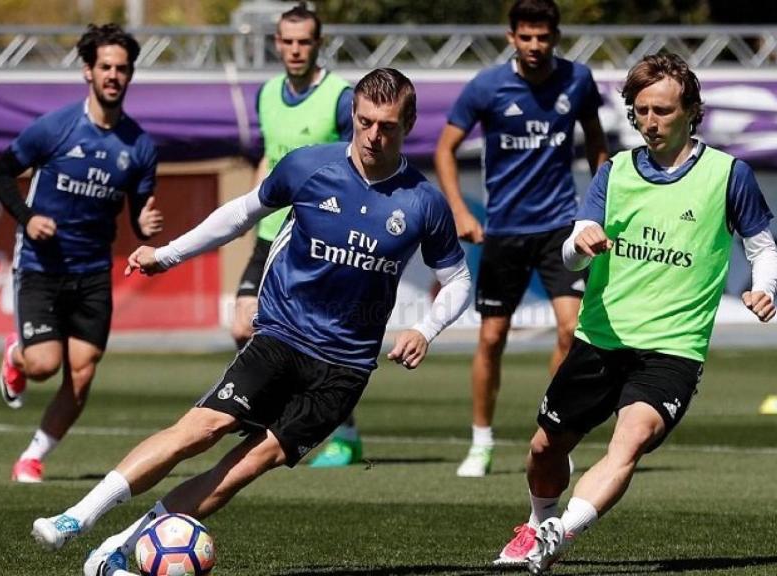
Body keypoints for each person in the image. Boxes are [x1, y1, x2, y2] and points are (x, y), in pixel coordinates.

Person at [29, 68, 473, 576]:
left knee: (245, 466)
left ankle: (116, 550)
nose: (374, 136)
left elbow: (458, 279)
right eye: (365, 121)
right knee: (204, 426)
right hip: (282, 337)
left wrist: (426, 329)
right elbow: (239, 214)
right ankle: (78, 516)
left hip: (346, 369)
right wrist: (168, 255)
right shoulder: (308, 168)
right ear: (353, 114)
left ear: (409, 124)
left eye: (387, 126)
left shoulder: (423, 202)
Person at [495, 53, 777, 572]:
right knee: (542, 449)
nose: (651, 122)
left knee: (630, 441)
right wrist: (581, 245)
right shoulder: (615, 172)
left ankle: (558, 536)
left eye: (663, 111)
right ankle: (538, 521)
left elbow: (763, 248)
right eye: (641, 111)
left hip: (672, 348)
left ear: (693, 111)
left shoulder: (728, 174)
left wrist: (764, 287)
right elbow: (569, 250)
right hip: (600, 338)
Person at [434, 0, 609, 478]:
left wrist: (603, 204)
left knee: (571, 332)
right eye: (526, 36)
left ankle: (554, 434)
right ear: (511, 37)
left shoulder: (577, 80)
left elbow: (597, 143)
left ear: (556, 36)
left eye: (543, 37)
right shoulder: (487, 86)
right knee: (492, 338)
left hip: (560, 227)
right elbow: (444, 149)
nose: (535, 45)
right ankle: (481, 441)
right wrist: (459, 210)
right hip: (505, 231)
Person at [0, 23, 163, 484]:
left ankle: (32, 457)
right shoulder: (57, 128)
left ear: (130, 75)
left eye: (121, 68)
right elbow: (0, 172)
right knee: (44, 365)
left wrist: (142, 224)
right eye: (105, 66)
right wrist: (27, 218)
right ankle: (18, 357)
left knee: (82, 376)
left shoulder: (140, 146)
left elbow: (137, 213)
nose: (113, 75)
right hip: (41, 267)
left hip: (92, 272)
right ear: (88, 71)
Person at [231, 2, 362, 469]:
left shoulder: (341, 98)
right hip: (272, 233)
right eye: (286, 41)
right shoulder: (266, 94)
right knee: (242, 327)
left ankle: (345, 434)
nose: (294, 50)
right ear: (276, 43)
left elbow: (358, 165)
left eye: (304, 41)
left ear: (318, 44)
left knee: (324, 341)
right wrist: (251, 208)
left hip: (318, 239)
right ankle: (268, 412)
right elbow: (271, 155)